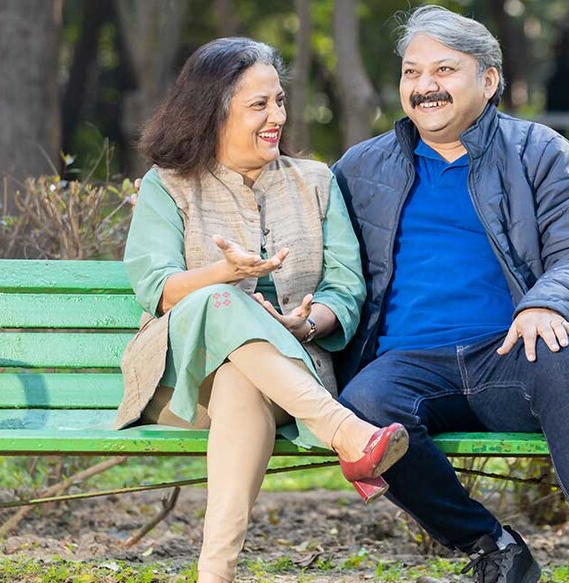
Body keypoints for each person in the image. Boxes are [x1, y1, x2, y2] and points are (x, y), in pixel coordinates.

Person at [331, 6, 569, 583]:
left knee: (561, 356)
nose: (425, 86)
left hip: (511, 353)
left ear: (490, 79)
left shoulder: (540, 152)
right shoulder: (360, 168)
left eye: (444, 70)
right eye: (411, 72)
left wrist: (546, 301)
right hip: (407, 364)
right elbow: (327, 266)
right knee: (362, 408)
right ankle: (491, 544)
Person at [118, 37, 409, 583]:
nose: (276, 116)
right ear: (213, 111)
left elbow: (344, 288)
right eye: (259, 105)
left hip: (286, 378)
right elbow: (155, 287)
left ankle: (215, 574)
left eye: (279, 101)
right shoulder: (169, 185)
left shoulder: (316, 182)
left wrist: (309, 321)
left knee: (242, 384)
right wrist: (221, 276)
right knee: (225, 303)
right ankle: (346, 434)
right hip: (180, 380)